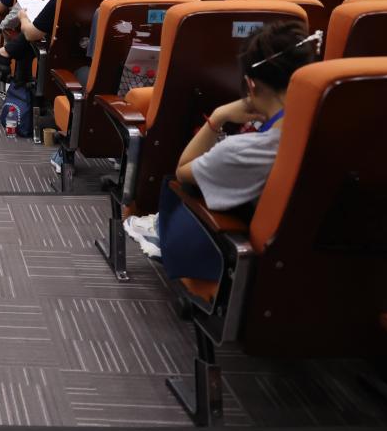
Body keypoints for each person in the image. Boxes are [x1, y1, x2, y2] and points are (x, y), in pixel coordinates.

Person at [129, 21, 319, 278]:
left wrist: (218, 118)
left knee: (181, 186)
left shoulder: (244, 150)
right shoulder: (329, 129)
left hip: (247, 259)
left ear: (251, 85)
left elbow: (183, 172)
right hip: (311, 261)